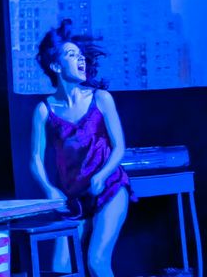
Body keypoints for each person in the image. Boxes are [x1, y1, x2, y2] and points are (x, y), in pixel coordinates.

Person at [30, 19, 135, 277]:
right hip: (74, 199)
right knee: (60, 269)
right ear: (56, 66)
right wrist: (49, 189)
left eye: (80, 55)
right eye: (71, 54)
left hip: (108, 188)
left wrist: (101, 175)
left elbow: (119, 147)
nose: (80, 59)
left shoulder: (101, 99)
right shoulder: (44, 110)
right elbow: (35, 159)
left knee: (97, 262)